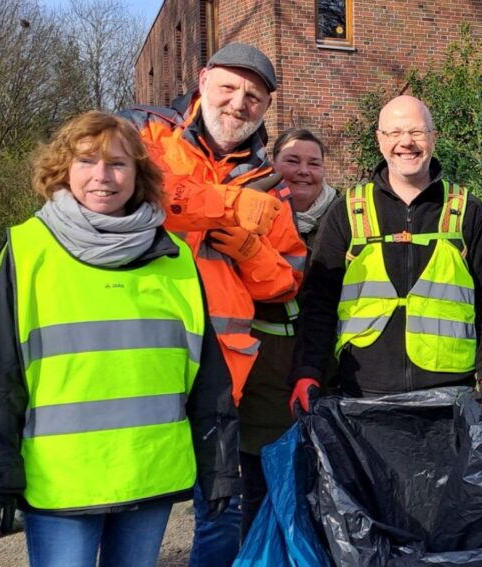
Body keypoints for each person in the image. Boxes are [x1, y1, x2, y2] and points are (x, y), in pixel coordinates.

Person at [0, 111, 240, 566]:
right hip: (62, 482)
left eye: (117, 163)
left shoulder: (175, 259)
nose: (102, 176)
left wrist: (219, 470)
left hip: (149, 474)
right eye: (86, 161)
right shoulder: (28, 250)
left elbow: (208, 380)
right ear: (63, 169)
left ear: (138, 174)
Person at [122, 42, 307, 565]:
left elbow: (287, 281)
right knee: (130, 502)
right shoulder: (144, 132)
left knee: (220, 512)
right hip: (139, 356)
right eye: (228, 87)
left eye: (254, 97)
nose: (238, 103)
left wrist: (249, 249)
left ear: (266, 108)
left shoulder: (271, 182)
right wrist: (228, 205)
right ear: (202, 81)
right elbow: (132, 195)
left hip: (223, 370)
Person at [289, 95, 482, 414]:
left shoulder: (467, 212)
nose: (406, 142)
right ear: (380, 140)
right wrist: (307, 371)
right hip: (362, 393)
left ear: (433, 138)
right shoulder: (347, 211)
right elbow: (318, 302)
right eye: (394, 132)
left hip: (450, 397)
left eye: (417, 132)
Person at [239, 128, 338, 538]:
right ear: (273, 166)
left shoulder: (344, 219)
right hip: (262, 375)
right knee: (259, 492)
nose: (303, 171)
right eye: (292, 161)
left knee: (322, 494)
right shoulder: (249, 211)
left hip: (328, 375)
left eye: (314, 163)